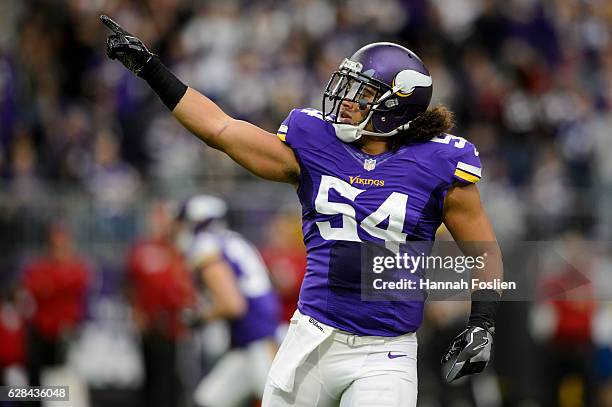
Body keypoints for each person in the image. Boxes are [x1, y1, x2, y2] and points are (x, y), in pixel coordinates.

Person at [101, 15, 504, 407]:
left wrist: (482, 323)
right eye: (348, 87)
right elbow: (220, 130)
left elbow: (483, 251)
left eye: (362, 94)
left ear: (395, 105)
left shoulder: (440, 164)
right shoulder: (315, 143)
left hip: (386, 352)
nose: (346, 101)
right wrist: (152, 70)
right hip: (311, 337)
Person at [176, 194, 280, 407]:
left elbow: (233, 305)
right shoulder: (232, 240)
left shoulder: (206, 246)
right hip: (250, 338)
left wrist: (198, 316)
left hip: (257, 338)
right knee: (209, 400)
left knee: (277, 402)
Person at [127, 201, 196, 407]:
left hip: (173, 325)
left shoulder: (180, 250)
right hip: (148, 323)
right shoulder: (142, 249)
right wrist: (136, 313)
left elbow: (188, 286)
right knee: (149, 377)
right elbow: (130, 283)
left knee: (172, 379)